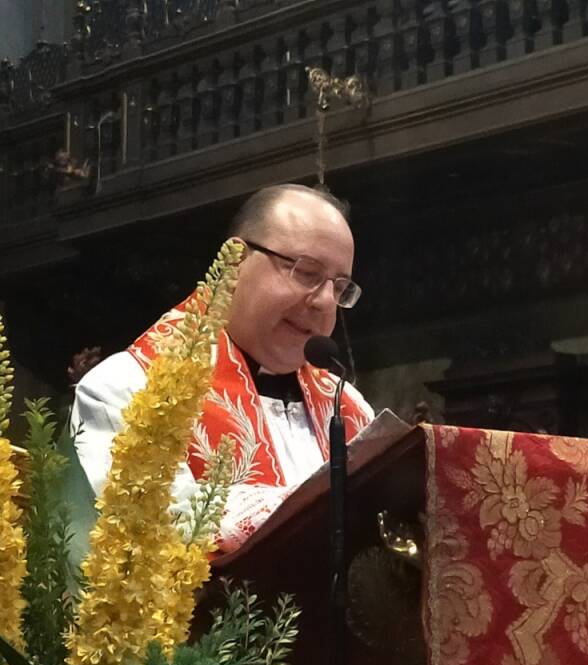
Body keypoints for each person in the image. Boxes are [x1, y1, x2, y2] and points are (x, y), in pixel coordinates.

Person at [71, 184, 374, 554]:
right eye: (306, 272)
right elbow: (155, 545)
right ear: (235, 262)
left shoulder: (352, 411)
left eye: (340, 287)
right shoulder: (130, 388)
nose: (325, 302)